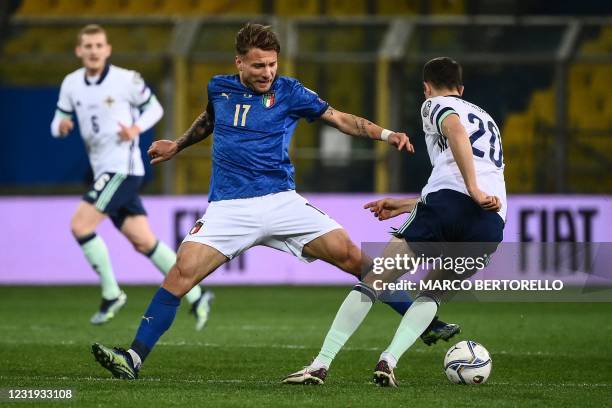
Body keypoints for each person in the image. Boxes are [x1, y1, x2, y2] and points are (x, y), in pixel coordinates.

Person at [90, 23, 458, 380]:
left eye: (272, 64)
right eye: (258, 65)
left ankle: (422, 321)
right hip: (229, 207)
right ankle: (133, 358)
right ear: (239, 63)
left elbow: (339, 118)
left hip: (281, 202)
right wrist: (177, 145)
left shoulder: (290, 91)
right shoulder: (219, 87)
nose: (267, 72)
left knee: (352, 256)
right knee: (180, 276)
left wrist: (386, 134)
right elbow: (208, 120)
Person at [283, 57, 506, 386]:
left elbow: (455, 133)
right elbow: (468, 182)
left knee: (375, 280)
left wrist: (471, 189)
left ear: (426, 87)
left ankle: (321, 364)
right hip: (490, 223)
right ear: (462, 88)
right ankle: (389, 359)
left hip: (449, 204)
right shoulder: (488, 120)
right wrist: (406, 205)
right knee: (432, 294)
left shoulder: (435, 104)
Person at [50, 24, 213, 330]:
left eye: (99, 45)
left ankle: (111, 293)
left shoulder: (126, 79)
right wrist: (60, 126)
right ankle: (198, 295)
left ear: (107, 49)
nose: (94, 50)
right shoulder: (71, 84)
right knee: (143, 241)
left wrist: (136, 129)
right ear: (79, 51)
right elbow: (58, 118)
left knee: (80, 225)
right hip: (102, 170)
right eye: (88, 46)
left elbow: (154, 108)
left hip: (122, 169)